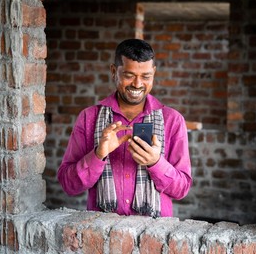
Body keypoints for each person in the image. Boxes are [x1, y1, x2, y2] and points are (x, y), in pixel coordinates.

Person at [57, 39, 192, 218]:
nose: (137, 84)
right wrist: (97, 155)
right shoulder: (89, 117)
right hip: (100, 234)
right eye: (129, 75)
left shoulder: (173, 120)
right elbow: (68, 185)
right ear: (114, 71)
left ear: (154, 73)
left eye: (145, 76)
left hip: (154, 237)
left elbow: (182, 189)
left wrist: (155, 163)